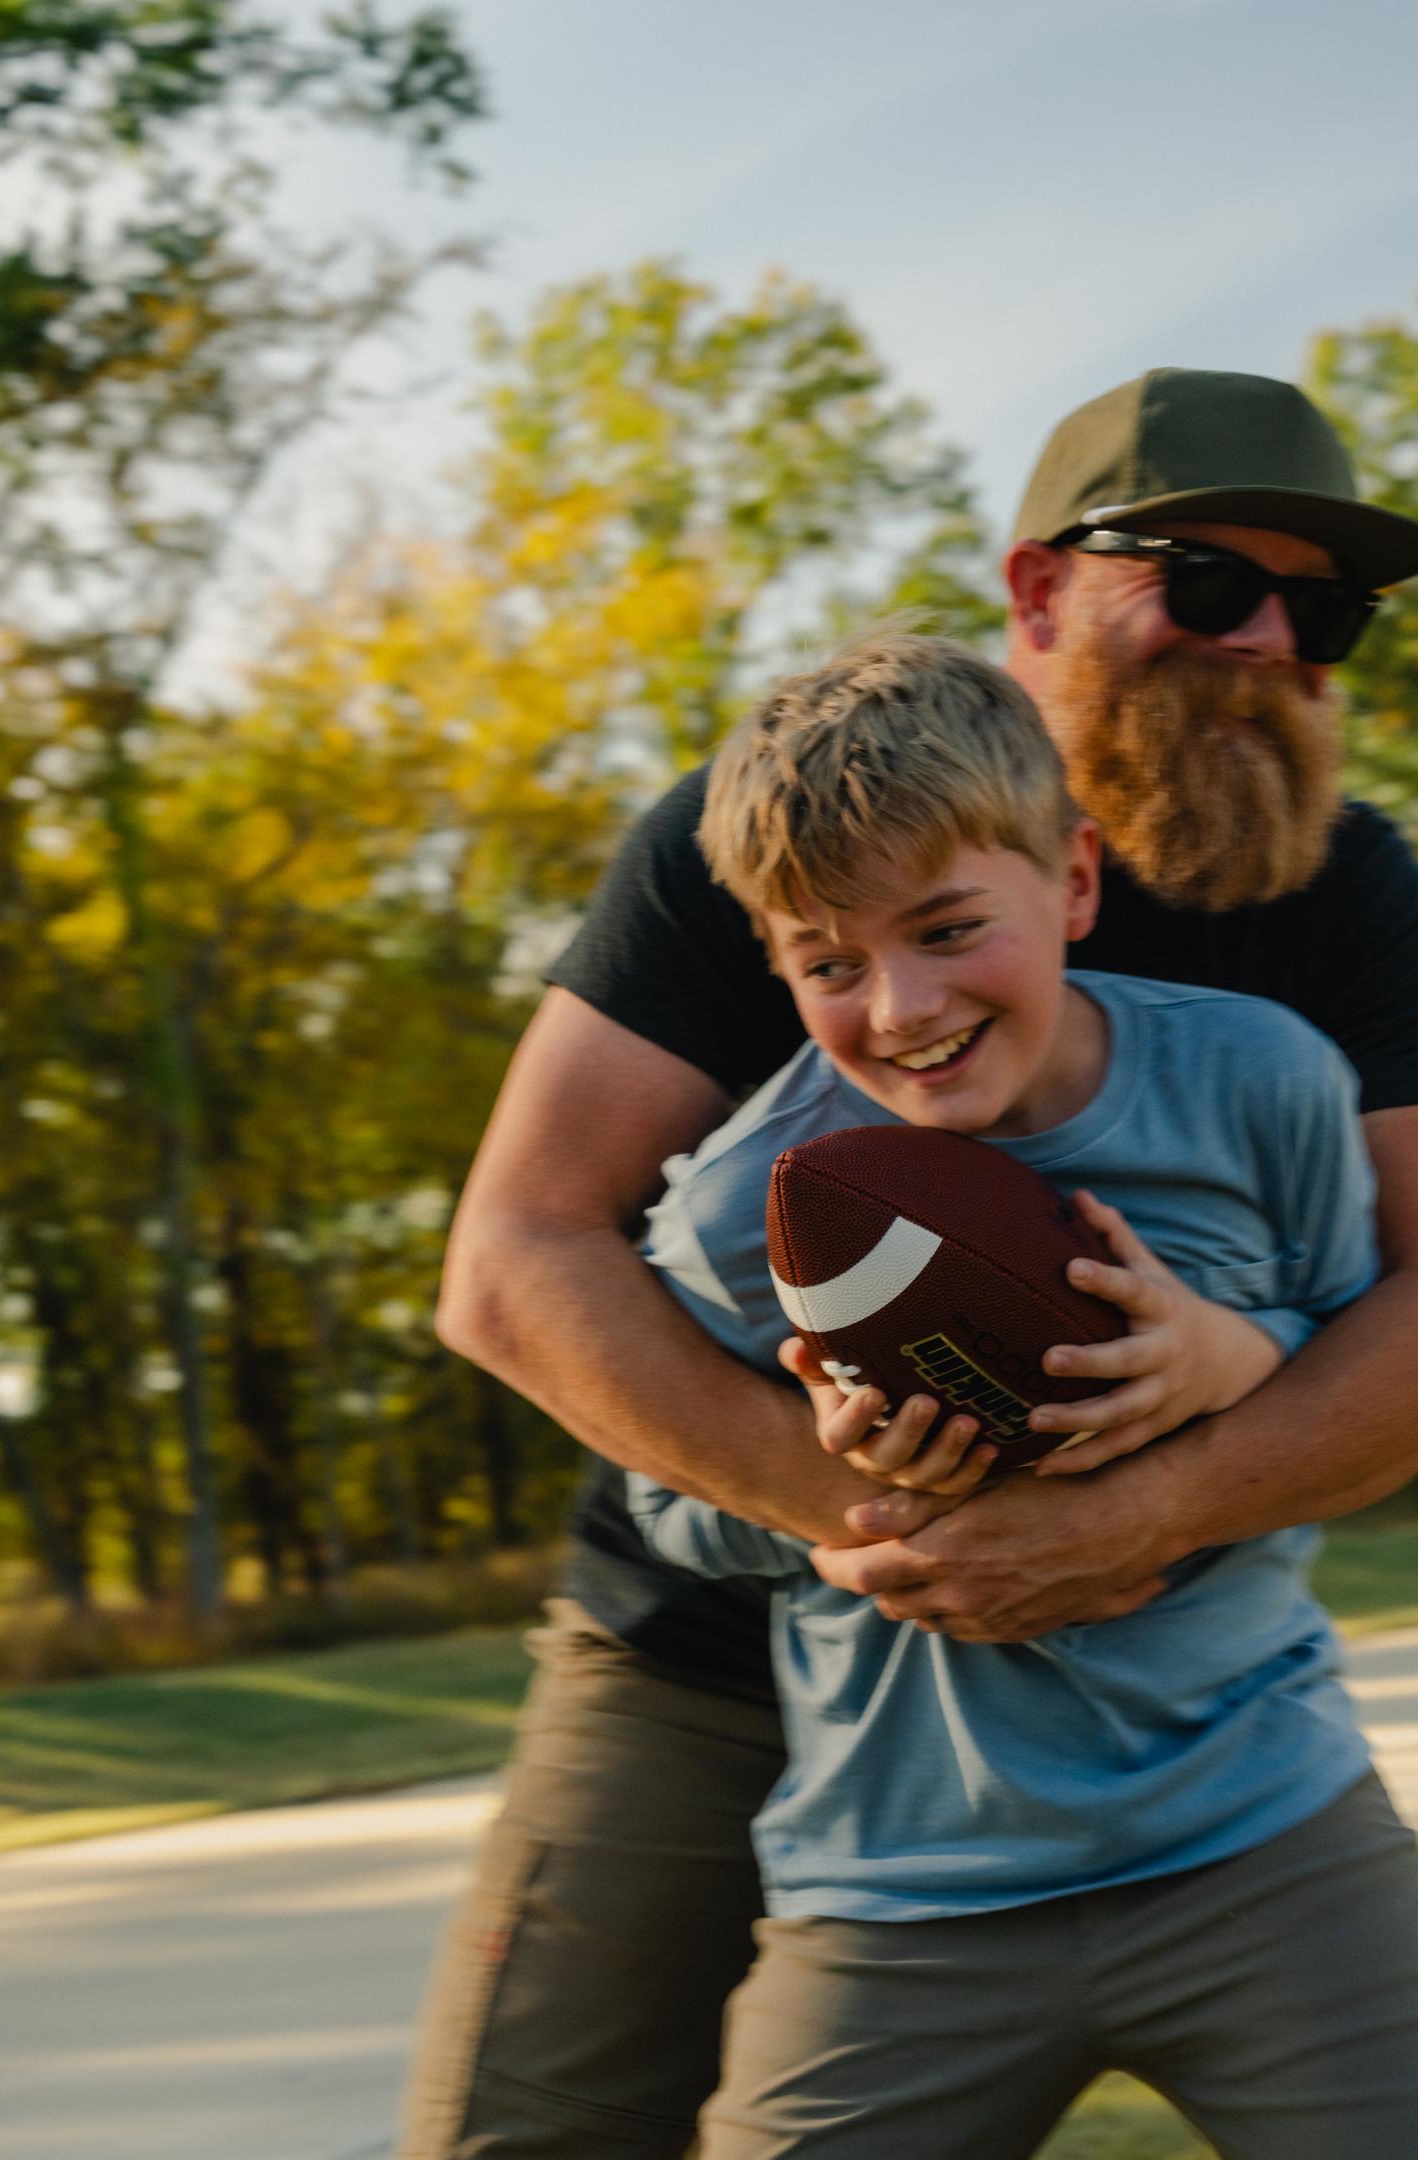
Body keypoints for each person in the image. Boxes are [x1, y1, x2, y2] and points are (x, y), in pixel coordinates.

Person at [397, 369, 1418, 2160]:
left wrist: (1126, 1520)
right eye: (1201, 585)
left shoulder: (1344, 908)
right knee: (529, 2136)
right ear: (1041, 595)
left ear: (1073, 889)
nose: (1265, 641)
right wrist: (903, 1527)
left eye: (1318, 609)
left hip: (1169, 1704)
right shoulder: (783, 837)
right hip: (704, 1637)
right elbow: (515, 1254)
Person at [625, 625, 1417, 2158]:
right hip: (901, 1883)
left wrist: (1223, 1359)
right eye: (831, 964)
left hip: (1263, 1826)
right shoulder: (747, 1213)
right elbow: (671, 1504)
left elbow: (1362, 1355)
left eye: (945, 928)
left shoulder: (1263, 1081)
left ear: (1071, 879)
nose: (903, 1007)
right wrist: (829, 1487)